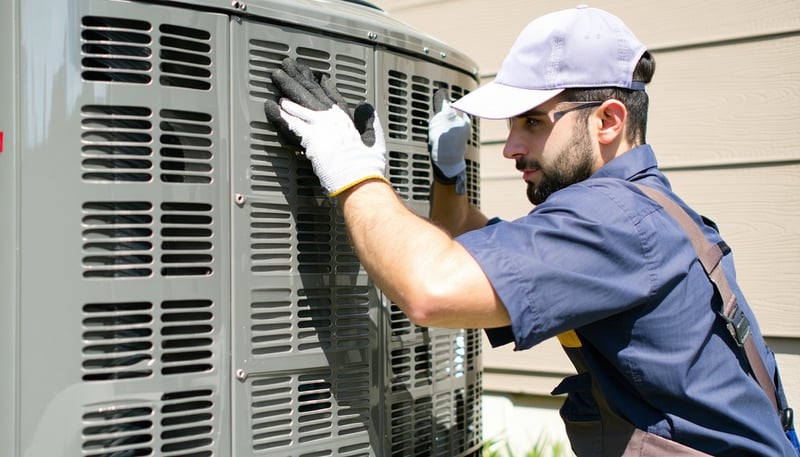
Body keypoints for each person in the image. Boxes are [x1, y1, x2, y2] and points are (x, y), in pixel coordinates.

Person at [264, 5, 798, 456]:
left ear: (607, 122)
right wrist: (447, 177)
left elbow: (431, 287)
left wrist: (352, 173)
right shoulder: (645, 207)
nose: (510, 148)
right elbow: (472, 246)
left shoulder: (614, 222)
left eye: (533, 122)